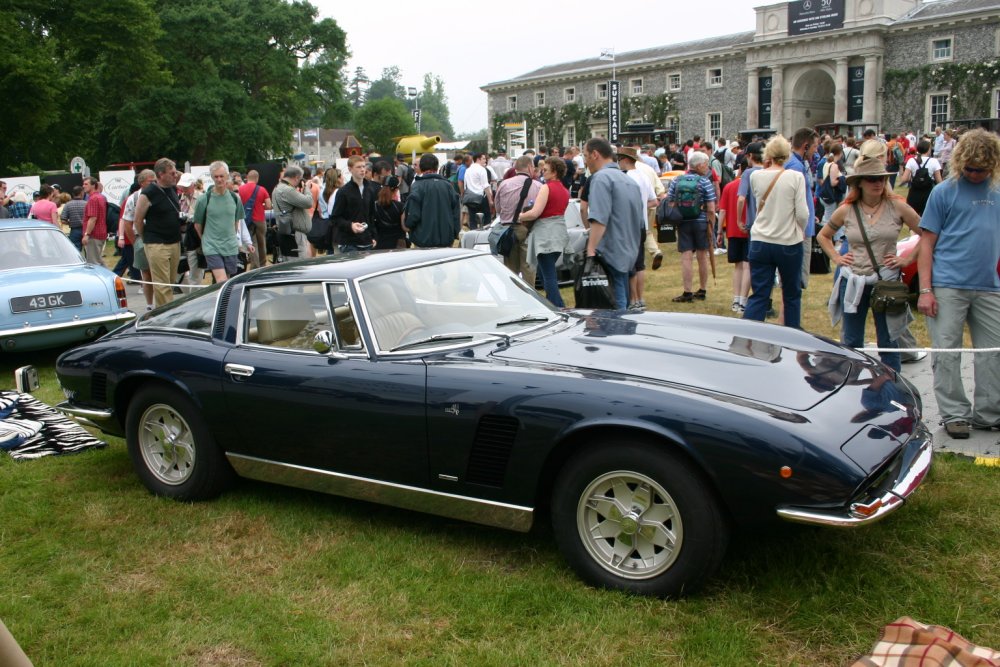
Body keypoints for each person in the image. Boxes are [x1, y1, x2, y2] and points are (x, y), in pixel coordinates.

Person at [917, 128, 1000, 439]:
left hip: (990, 286)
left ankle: (989, 413)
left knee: (993, 352)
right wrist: (925, 290)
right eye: (970, 168)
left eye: (982, 169)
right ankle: (954, 414)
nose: (975, 174)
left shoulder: (998, 191)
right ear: (960, 163)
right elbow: (926, 243)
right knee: (947, 351)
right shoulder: (944, 192)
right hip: (948, 284)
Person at [817, 150, 922, 373]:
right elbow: (822, 235)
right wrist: (836, 257)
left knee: (889, 340)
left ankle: (892, 385)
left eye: (882, 178)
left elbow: (926, 233)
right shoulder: (847, 209)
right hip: (853, 281)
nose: (878, 183)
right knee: (852, 341)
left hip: (886, 282)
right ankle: (852, 384)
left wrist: (908, 259)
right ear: (860, 183)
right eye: (872, 179)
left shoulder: (898, 206)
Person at [742, 135, 810, 328]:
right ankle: (791, 338)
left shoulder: (756, 176)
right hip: (788, 241)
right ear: (787, 155)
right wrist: (801, 230)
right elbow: (803, 213)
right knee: (791, 295)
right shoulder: (796, 177)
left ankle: (747, 337)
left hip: (760, 240)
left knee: (759, 294)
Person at [582, 137, 644, 310]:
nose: (585, 161)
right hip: (629, 250)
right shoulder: (630, 181)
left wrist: (591, 250)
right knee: (621, 297)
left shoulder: (601, 178)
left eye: (586, 156)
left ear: (595, 155)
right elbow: (639, 221)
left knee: (613, 304)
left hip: (610, 251)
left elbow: (599, 218)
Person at [518, 156, 571, 307]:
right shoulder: (565, 190)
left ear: (554, 172)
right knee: (545, 272)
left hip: (545, 234)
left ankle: (557, 307)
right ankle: (554, 304)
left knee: (548, 275)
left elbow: (535, 213)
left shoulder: (546, 187)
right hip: (559, 233)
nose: (543, 172)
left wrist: (520, 216)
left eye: (546, 169)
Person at [666, 151, 716, 303]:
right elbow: (711, 208)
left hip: (683, 222)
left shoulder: (677, 180)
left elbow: (670, 203)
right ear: (699, 165)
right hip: (701, 221)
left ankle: (687, 292)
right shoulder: (704, 181)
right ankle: (702, 289)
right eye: (706, 165)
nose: (707, 168)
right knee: (702, 256)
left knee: (686, 256)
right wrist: (711, 225)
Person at [133, 158, 183, 307]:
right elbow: (138, 220)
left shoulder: (173, 189)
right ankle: (166, 314)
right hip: (156, 243)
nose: (175, 175)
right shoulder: (148, 193)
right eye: (172, 173)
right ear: (161, 174)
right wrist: (146, 239)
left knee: (170, 281)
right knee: (162, 285)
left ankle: (167, 309)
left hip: (174, 241)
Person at [193, 161, 246, 282]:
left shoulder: (235, 198)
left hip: (230, 245)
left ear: (227, 176)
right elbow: (197, 224)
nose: (219, 179)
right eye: (216, 176)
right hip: (211, 245)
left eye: (221, 176)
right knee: (221, 279)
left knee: (227, 280)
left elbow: (236, 222)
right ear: (211, 177)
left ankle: (221, 301)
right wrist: (205, 239)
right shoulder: (204, 199)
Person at [493, 155, 542, 286]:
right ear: (530, 167)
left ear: (515, 169)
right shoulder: (538, 186)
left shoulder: (504, 184)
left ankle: (513, 295)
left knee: (510, 268)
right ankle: (530, 296)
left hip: (508, 230)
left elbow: (497, 207)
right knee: (529, 267)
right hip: (528, 229)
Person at [403, 153, 460, 248]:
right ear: (437, 168)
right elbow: (456, 214)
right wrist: (454, 232)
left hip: (422, 240)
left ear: (421, 168)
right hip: (446, 239)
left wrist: (409, 227)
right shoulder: (448, 186)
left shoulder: (417, 186)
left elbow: (412, 216)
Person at [330, 156, 377, 252]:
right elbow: (335, 218)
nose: (362, 170)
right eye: (358, 167)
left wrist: (373, 236)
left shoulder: (370, 189)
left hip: (367, 240)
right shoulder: (343, 192)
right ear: (350, 169)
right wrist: (350, 225)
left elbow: (371, 215)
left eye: (363, 166)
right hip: (349, 242)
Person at [273, 164, 318, 258]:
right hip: (295, 236)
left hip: (288, 233)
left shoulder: (278, 188)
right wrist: (306, 188)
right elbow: (308, 202)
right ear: (297, 178)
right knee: (299, 266)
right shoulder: (287, 190)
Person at [898, 138, 943, 216]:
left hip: (914, 193)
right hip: (928, 194)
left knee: (913, 218)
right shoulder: (934, 161)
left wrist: (909, 176)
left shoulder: (911, 161)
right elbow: (939, 181)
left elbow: (904, 179)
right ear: (929, 149)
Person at [238, 170, 272, 268]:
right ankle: (262, 264)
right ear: (257, 178)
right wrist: (261, 206)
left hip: (247, 220)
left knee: (252, 243)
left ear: (247, 177)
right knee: (262, 242)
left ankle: (254, 266)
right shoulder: (262, 189)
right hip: (260, 219)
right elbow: (269, 205)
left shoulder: (241, 189)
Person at [373, 175, 406, 249]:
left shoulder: (374, 206)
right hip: (398, 244)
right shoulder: (400, 206)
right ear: (396, 190)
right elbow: (405, 227)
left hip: (380, 244)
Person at [462, 153, 494, 229]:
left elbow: (465, 184)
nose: (485, 160)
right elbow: (485, 186)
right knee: (486, 219)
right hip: (481, 197)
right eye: (483, 158)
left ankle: (473, 236)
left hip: (470, 197)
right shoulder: (482, 169)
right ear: (478, 159)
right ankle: (485, 237)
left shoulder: (468, 170)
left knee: (473, 219)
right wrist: (490, 200)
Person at [60, 186, 87, 250]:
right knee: (89, 249)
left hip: (74, 230)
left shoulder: (68, 205)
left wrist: (70, 223)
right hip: (86, 229)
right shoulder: (86, 204)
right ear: (81, 193)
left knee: (76, 249)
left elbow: (63, 220)